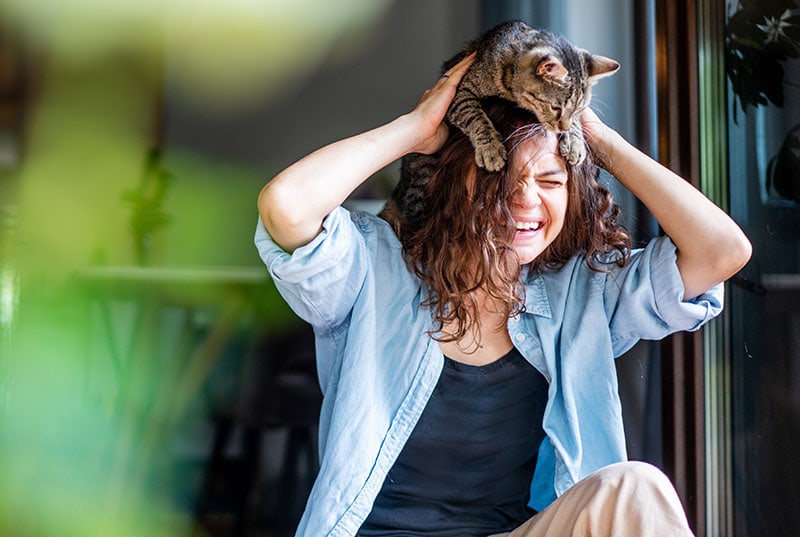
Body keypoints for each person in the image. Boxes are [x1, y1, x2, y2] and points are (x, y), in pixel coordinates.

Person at [254, 52, 751, 537]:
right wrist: (413, 130)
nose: (528, 200)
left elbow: (721, 252)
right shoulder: (375, 270)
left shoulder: (577, 298)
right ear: (455, 184)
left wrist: (595, 136)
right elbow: (287, 207)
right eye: (503, 180)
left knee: (636, 487)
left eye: (551, 181)